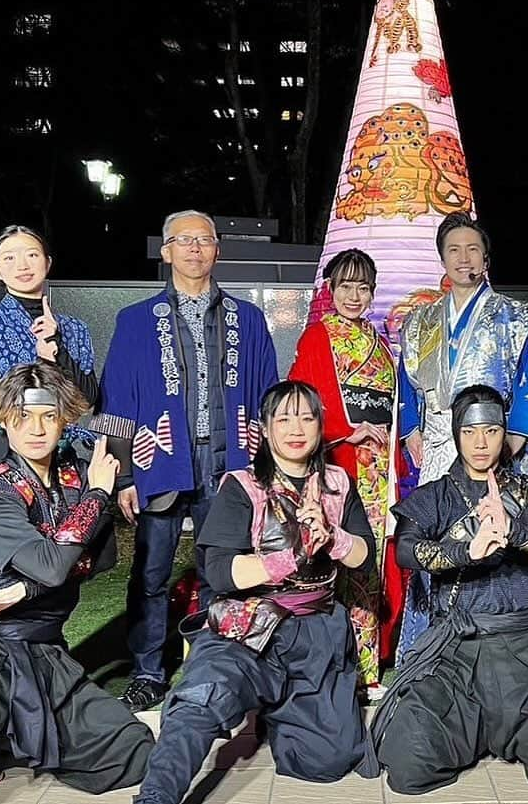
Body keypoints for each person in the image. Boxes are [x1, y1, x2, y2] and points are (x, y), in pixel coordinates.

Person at [132, 381, 377, 804]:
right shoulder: (243, 486)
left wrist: (332, 537)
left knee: (328, 760)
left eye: (306, 417)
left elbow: (364, 557)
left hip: (316, 633)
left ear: (320, 426)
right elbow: (221, 572)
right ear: (264, 428)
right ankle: (157, 796)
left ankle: (277, 707)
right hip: (247, 628)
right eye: (283, 418)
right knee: (199, 701)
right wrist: (291, 554)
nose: (295, 428)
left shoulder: (337, 483)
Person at [372, 385, 528, 796]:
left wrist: (517, 532)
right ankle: (470, 732)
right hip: (455, 652)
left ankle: (514, 732)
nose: (481, 442)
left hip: (524, 651)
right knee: (409, 762)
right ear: (455, 433)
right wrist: (465, 550)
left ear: (505, 433)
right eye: (470, 432)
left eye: (491, 430)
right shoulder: (436, 495)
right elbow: (408, 553)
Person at [93, 210, 279, 712]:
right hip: (161, 461)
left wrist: (265, 467)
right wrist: (126, 474)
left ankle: (216, 663)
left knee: (222, 568)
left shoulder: (249, 319)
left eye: (205, 241)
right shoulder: (135, 321)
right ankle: (149, 671)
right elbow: (117, 401)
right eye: (184, 241)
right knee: (152, 572)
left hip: (229, 463)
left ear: (217, 250)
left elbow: (266, 397)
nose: (195, 249)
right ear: (166, 250)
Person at [0, 362, 153, 791]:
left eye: (48, 415)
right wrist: (99, 494)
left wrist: (26, 588)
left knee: (135, 749)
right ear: (3, 420)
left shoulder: (71, 478)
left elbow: (100, 559)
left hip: (46, 653)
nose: (36, 428)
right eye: (22, 416)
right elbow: (53, 564)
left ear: (64, 418)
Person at [396, 212, 528, 660]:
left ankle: (505, 645)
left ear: (486, 258)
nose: (463, 257)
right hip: (440, 449)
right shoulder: (419, 321)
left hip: (493, 447)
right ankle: (427, 652)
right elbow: (406, 384)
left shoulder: (516, 317)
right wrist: (412, 430)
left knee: (505, 544)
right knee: (430, 546)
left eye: (472, 248)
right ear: (441, 257)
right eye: (453, 249)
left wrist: (516, 434)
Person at [288, 248, 398, 693]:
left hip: (382, 467)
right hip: (341, 462)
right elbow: (303, 404)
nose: (355, 295)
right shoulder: (318, 336)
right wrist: (346, 429)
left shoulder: (379, 339)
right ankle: (337, 663)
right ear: (329, 289)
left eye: (363, 286)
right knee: (336, 554)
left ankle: (370, 665)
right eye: (346, 285)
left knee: (372, 557)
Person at [0, 225, 97, 494]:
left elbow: (88, 398)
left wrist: (56, 351)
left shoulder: (73, 327)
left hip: (58, 454)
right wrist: (37, 386)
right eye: (9, 257)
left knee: (65, 534)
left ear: (48, 262)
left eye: (32, 255)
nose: (22, 265)